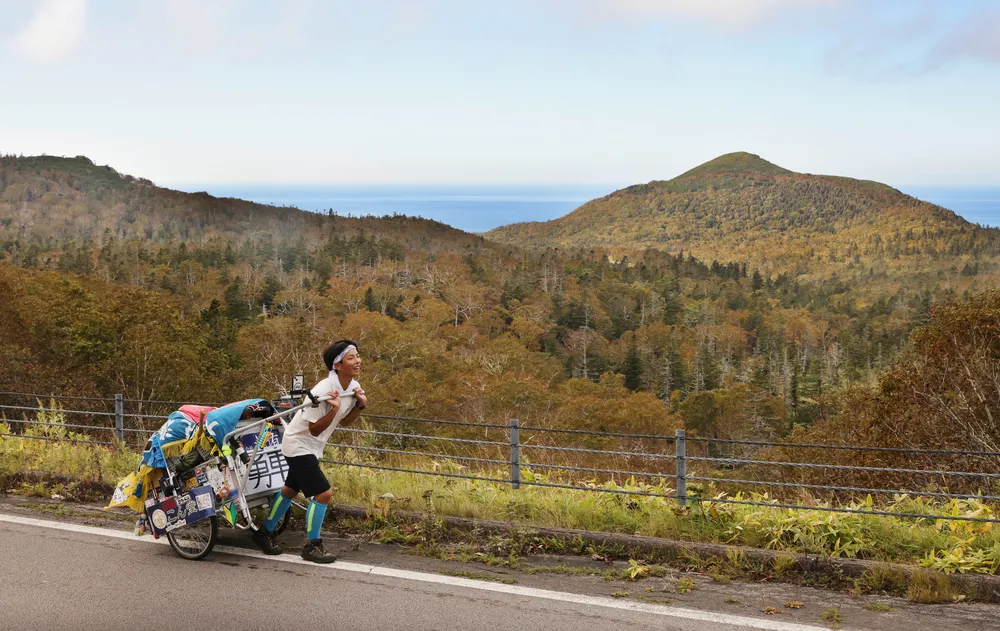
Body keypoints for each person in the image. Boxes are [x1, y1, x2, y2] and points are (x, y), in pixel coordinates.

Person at [251, 339, 368, 563]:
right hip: (298, 444)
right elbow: (314, 430)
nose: (358, 361)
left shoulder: (351, 387)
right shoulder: (324, 390)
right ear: (337, 365)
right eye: (351, 358)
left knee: (289, 490)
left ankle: (264, 533)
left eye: (357, 356)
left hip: (311, 447)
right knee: (323, 493)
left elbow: (345, 422)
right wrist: (332, 410)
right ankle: (311, 545)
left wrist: (360, 404)